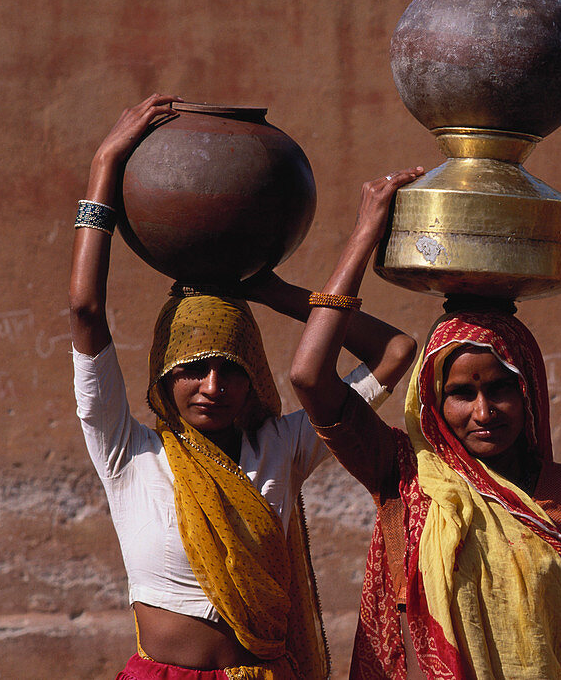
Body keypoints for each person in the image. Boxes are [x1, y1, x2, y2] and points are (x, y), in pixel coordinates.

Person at [69, 93, 418, 679]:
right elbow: (85, 309)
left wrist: (274, 290)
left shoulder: (280, 450)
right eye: (193, 369)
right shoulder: (128, 453)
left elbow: (394, 352)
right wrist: (106, 164)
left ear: (255, 374)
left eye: (232, 367)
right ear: (163, 375)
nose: (212, 386)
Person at [289, 170, 561, 679]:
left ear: (530, 391)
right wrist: (364, 236)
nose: (484, 412)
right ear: (431, 399)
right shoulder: (402, 473)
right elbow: (310, 376)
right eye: (461, 394)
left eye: (501, 390)